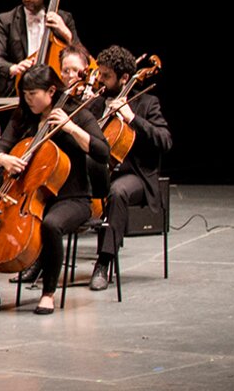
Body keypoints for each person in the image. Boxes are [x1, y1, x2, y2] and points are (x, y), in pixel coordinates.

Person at [0, 65, 108, 314]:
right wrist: (3, 160)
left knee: (51, 225)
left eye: (33, 95)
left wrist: (71, 128)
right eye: (25, 95)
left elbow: (102, 152)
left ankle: (48, 293)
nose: (28, 100)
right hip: (26, 196)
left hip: (72, 198)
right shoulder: (24, 116)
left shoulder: (78, 114)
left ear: (52, 91)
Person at [85, 45, 171, 292]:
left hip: (135, 177)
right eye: (99, 74)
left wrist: (132, 119)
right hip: (98, 172)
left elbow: (165, 140)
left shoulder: (146, 103)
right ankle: (41, 260)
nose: (99, 80)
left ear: (124, 78)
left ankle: (104, 262)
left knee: (117, 192)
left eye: (105, 76)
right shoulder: (95, 104)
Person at [0, 0, 80, 96]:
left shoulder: (64, 18)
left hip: (53, 91)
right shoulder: (6, 20)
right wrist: (13, 68)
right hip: (16, 92)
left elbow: (82, 57)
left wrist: (66, 33)